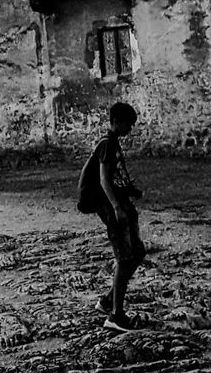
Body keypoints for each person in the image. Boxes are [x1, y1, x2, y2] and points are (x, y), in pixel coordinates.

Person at [87, 102, 146, 332]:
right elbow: (103, 180)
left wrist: (130, 191)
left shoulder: (114, 144)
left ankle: (108, 300)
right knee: (124, 257)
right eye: (129, 125)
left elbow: (116, 177)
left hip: (122, 204)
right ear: (117, 122)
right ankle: (115, 315)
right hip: (113, 208)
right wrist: (116, 207)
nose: (130, 129)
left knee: (138, 252)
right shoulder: (106, 145)